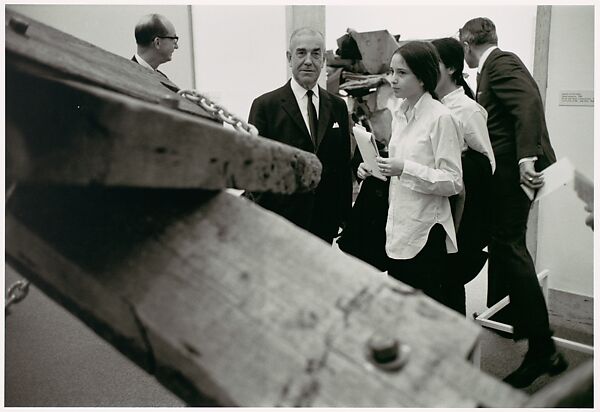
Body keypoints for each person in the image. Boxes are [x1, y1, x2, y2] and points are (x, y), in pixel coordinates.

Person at [459, 17, 567, 388]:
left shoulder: (500, 63)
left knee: (509, 247)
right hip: (505, 178)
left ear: (468, 42)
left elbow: (528, 103)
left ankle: (543, 348)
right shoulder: (491, 70)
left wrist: (526, 159)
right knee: (507, 249)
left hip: (515, 175)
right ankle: (534, 337)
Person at [358, 41, 463, 306]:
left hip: (426, 232)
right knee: (402, 311)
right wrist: (374, 168)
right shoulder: (400, 114)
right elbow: (399, 166)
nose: (392, 79)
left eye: (401, 73)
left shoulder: (441, 118)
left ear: (424, 77)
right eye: (391, 71)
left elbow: (453, 181)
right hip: (399, 227)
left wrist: (404, 168)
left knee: (425, 314)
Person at [245, 28, 353, 244]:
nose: (308, 61)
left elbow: (342, 164)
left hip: (324, 221)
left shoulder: (338, 106)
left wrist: (343, 215)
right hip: (281, 221)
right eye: (301, 53)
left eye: (316, 54)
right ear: (289, 57)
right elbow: (254, 168)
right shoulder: (265, 106)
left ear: (323, 60)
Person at [431, 37, 495, 315]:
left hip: (457, 211)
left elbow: (487, 163)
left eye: (433, 63)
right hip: (432, 206)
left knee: (449, 283)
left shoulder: (467, 110)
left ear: (452, 69)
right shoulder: (428, 106)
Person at [132, 14, 179, 89]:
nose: (177, 47)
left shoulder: (165, 81)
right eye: (173, 39)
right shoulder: (128, 79)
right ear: (157, 42)